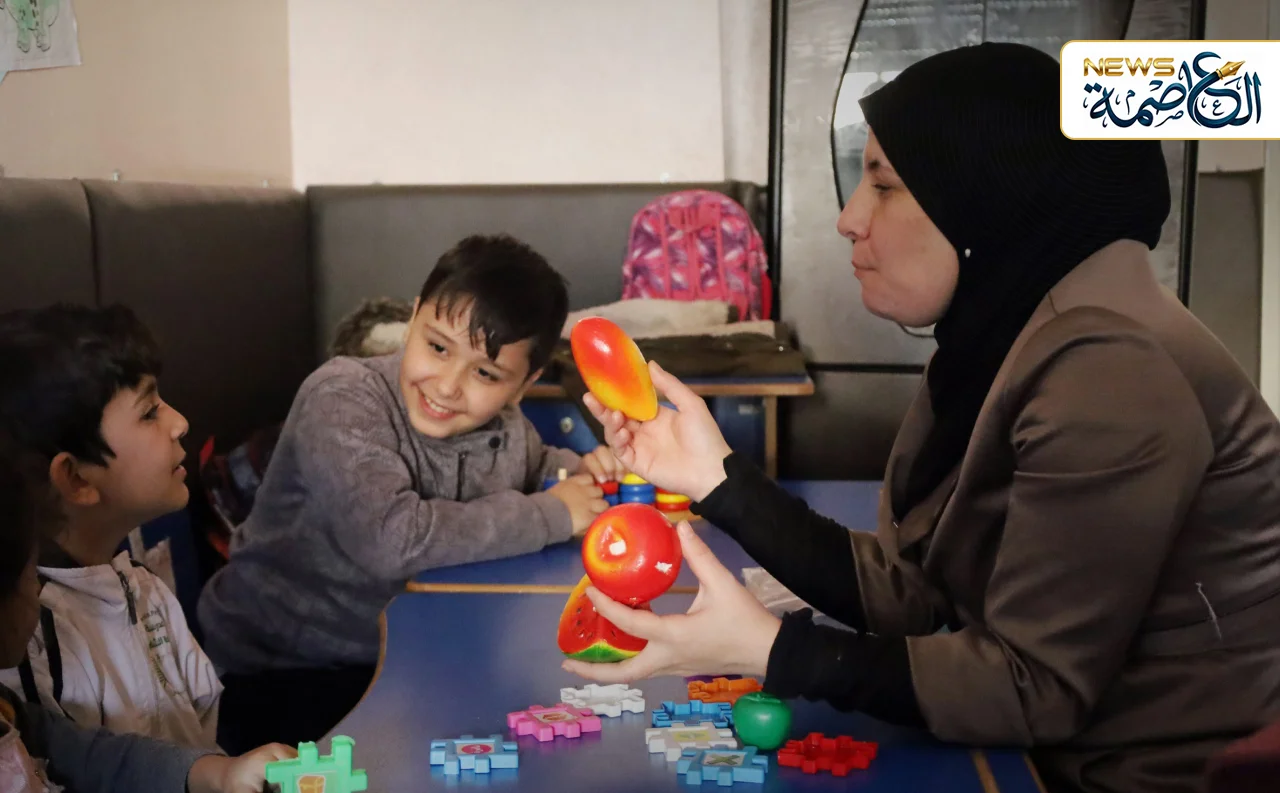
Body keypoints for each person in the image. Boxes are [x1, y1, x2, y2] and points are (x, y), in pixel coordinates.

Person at [563, 42, 1280, 793]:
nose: (849, 218)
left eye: (884, 184)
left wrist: (775, 650)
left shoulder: (1109, 368)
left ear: (986, 198)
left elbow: (1034, 688)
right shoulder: (1004, 338)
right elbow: (917, 591)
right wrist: (715, 476)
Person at [199, 234, 623, 753]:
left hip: (415, 650)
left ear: (523, 384)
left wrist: (582, 471)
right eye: (437, 348)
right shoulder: (343, 397)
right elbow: (391, 540)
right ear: (413, 318)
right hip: (285, 665)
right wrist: (551, 514)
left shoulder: (506, 425)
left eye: (485, 373)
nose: (446, 386)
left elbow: (534, 467)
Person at [0, 430, 294, 793]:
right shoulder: (40, 647)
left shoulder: (11, 713)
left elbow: (99, 758)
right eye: (30, 576)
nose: (179, 424)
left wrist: (219, 773)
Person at [0, 304, 224, 750]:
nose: (179, 423)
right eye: (149, 412)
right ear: (77, 478)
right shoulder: (24, 637)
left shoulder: (147, 590)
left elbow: (205, 742)